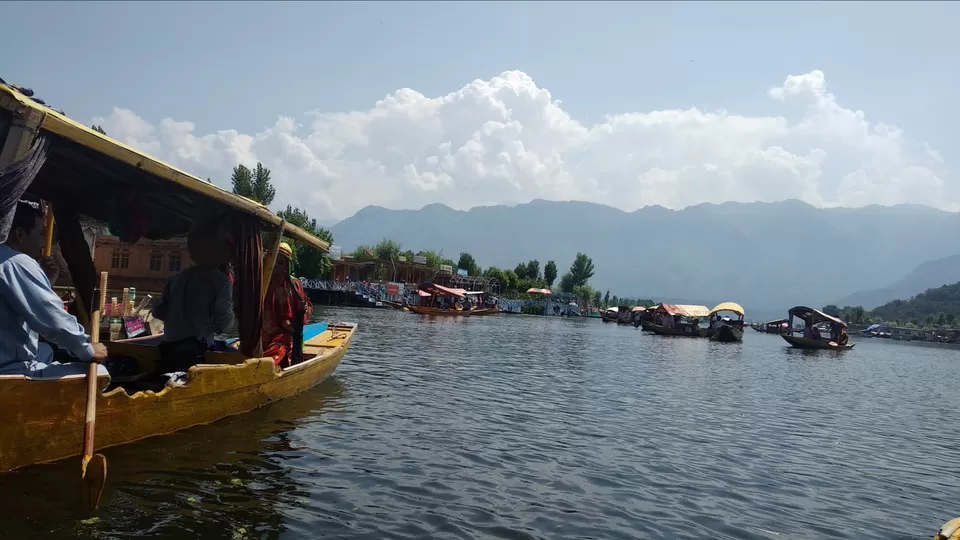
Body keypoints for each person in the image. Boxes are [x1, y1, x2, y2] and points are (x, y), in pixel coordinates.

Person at [0, 200, 108, 377]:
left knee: (46, 350)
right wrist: (87, 348)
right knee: (100, 373)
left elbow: (20, 304)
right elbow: (53, 320)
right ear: (19, 234)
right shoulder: (16, 262)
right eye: (40, 235)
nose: (42, 243)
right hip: (7, 370)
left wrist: (47, 282)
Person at [152, 221, 234, 373]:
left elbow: (158, 312)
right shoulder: (221, 281)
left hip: (169, 348)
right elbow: (222, 320)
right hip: (196, 351)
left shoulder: (177, 278)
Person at [262, 243, 312, 368]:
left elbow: (305, 310)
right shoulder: (262, 281)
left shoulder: (294, 285)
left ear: (287, 265)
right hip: (262, 334)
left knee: (276, 353)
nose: (275, 266)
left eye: (280, 263)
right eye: (274, 261)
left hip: (284, 336)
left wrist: (302, 311)